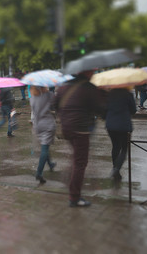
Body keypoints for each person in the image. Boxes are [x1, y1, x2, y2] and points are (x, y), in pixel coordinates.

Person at [53, 70, 105, 207]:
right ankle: (74, 197)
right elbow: (101, 110)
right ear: (87, 73)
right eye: (92, 71)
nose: (94, 73)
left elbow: (54, 105)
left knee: (77, 160)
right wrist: (103, 94)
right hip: (81, 129)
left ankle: (73, 187)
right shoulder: (89, 87)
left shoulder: (63, 86)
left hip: (66, 128)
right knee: (80, 163)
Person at [105, 87, 137, 180]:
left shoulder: (109, 94)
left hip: (110, 126)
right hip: (124, 126)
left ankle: (116, 170)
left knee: (115, 147)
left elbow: (104, 109)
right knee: (124, 149)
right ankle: (116, 169)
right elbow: (133, 110)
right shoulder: (128, 94)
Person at [30, 86, 57, 184]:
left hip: (38, 125)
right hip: (48, 124)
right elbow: (55, 106)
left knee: (45, 145)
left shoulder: (32, 98)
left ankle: (50, 164)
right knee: (45, 148)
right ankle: (39, 172)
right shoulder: (49, 95)